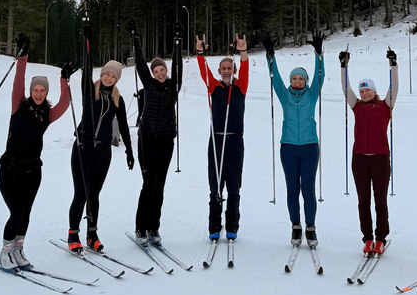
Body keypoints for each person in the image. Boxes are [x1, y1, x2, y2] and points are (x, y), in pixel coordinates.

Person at [0, 33, 73, 270]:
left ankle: (18, 250)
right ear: (31, 91)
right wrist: (23, 56)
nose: (39, 93)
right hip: (10, 168)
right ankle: (5, 252)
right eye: (36, 90)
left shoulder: (47, 114)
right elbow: (18, 81)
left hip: (33, 170)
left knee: (26, 213)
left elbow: (64, 104)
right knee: (16, 212)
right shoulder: (18, 105)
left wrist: (64, 80)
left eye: (43, 90)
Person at [67, 25, 135, 254]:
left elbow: (124, 126)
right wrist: (88, 43)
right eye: (106, 73)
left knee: (94, 194)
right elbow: (86, 70)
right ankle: (73, 235)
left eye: (113, 76)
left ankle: (92, 234)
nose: (108, 77)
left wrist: (129, 151)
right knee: (81, 193)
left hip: (102, 152)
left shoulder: (118, 100)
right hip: (83, 148)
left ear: (117, 79)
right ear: (101, 74)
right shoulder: (90, 90)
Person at [259, 30, 325, 248]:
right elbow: (274, 76)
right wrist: (271, 55)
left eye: (301, 78)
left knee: (308, 190)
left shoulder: (312, 94)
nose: (297, 81)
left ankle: (311, 227)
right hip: (288, 148)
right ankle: (296, 226)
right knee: (291, 190)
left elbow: (320, 76)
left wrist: (319, 55)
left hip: (309, 147)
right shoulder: (284, 94)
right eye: (294, 78)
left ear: (305, 81)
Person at [339, 47, 399, 255]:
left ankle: (381, 238)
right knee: (363, 201)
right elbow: (346, 88)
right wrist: (343, 67)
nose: (364, 93)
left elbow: (395, 86)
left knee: (380, 201)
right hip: (360, 160)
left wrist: (393, 65)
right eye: (362, 90)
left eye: (368, 90)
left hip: (380, 159)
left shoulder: (385, 106)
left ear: (374, 91)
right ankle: (367, 238)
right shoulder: (356, 106)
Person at [130, 20, 183, 245]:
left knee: (159, 183)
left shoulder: (173, 86)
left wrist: (177, 42)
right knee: (149, 182)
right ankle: (141, 227)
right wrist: (135, 38)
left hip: (165, 140)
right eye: (156, 71)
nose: (160, 73)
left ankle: (154, 227)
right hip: (147, 139)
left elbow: (179, 66)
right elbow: (140, 64)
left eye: (163, 70)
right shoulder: (149, 85)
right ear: (152, 73)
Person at [196, 33, 249, 241]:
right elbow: (203, 70)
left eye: (230, 68)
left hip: (235, 141)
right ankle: (214, 226)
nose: (227, 71)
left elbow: (245, 69)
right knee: (215, 185)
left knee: (234, 186)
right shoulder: (214, 86)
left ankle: (232, 226)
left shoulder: (240, 87)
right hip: (217, 141)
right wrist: (200, 52)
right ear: (219, 72)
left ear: (233, 70)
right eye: (223, 69)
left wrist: (243, 51)